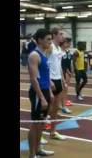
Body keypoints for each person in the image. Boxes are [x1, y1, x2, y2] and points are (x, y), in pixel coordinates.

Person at [27, 28, 54, 158]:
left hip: (45, 91)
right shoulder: (34, 55)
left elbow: (45, 75)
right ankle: (32, 154)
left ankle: (38, 149)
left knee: (42, 123)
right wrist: (42, 97)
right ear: (39, 40)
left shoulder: (44, 54)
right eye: (48, 39)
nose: (50, 42)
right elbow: (33, 79)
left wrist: (49, 91)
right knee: (36, 124)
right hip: (38, 94)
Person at [46, 28, 67, 140]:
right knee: (46, 107)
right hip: (50, 80)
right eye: (60, 34)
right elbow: (44, 64)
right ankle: (40, 129)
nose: (62, 36)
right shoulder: (50, 47)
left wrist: (63, 79)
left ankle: (53, 132)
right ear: (54, 35)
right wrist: (49, 81)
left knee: (55, 108)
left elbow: (58, 65)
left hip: (58, 80)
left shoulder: (59, 49)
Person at [60, 37, 72, 113]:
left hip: (67, 72)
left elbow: (69, 62)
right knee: (63, 89)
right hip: (62, 72)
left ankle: (64, 102)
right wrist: (68, 71)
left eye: (69, 43)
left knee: (65, 89)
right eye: (67, 43)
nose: (69, 44)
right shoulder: (59, 52)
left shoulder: (68, 51)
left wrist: (71, 70)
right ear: (63, 43)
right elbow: (62, 64)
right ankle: (63, 105)